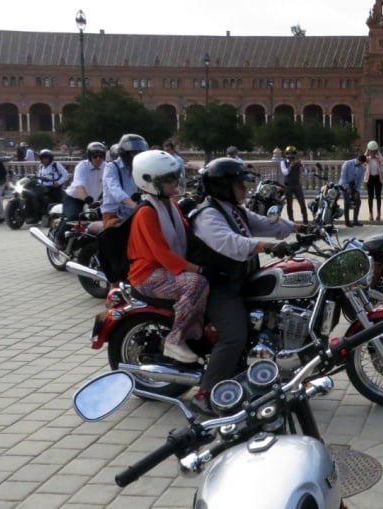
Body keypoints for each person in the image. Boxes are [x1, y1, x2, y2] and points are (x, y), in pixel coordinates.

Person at [188, 157, 297, 414]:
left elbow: (265, 223)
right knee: (234, 336)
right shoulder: (208, 215)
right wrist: (267, 246)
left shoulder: (234, 209)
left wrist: (303, 227)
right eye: (239, 184)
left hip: (239, 278)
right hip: (219, 284)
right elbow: (230, 243)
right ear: (223, 186)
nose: (244, 189)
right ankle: (204, 394)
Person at [128, 150, 209, 364]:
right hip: (147, 275)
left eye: (174, 176)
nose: (174, 182)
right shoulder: (146, 212)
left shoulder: (170, 205)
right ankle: (175, 340)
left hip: (164, 269)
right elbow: (162, 254)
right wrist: (198, 269)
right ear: (149, 182)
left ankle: (199, 337)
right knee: (196, 283)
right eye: (167, 179)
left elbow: (188, 235)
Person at [102, 133, 148, 228]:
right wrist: (134, 205)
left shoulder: (139, 169)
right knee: (120, 231)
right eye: (134, 153)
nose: (137, 156)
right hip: (113, 214)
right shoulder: (111, 167)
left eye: (140, 153)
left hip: (135, 211)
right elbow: (115, 190)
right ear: (124, 154)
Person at [280, 145, 308, 224]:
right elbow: (285, 172)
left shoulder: (298, 162)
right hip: (288, 185)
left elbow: (305, 173)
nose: (291, 156)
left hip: (297, 185)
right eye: (290, 153)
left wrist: (302, 166)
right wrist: (291, 165)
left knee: (302, 202)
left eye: (293, 153)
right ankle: (291, 221)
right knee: (289, 204)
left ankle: (305, 221)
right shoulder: (283, 162)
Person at [339, 154, 366, 227]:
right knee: (347, 202)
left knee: (358, 202)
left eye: (361, 163)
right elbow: (343, 176)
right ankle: (347, 222)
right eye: (359, 162)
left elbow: (360, 180)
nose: (360, 164)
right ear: (356, 159)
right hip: (344, 184)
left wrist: (357, 191)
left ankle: (355, 220)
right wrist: (347, 187)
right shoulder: (347, 163)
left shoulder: (363, 168)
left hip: (354, 185)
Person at [363, 140, 383, 221]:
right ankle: (371, 214)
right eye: (371, 151)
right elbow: (362, 158)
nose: (372, 153)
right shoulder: (367, 159)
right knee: (370, 197)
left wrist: (377, 153)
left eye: (373, 151)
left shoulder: (378, 158)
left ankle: (379, 214)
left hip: (377, 179)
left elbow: (382, 160)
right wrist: (367, 151)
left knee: (378, 197)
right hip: (370, 179)